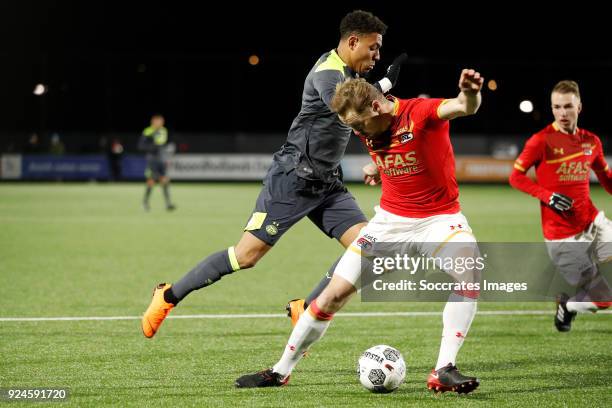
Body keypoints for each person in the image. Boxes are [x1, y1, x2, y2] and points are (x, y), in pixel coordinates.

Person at [141, 10, 407, 338]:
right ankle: (167, 296)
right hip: (292, 179)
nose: (377, 55)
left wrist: (382, 92)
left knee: (370, 249)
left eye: (379, 49)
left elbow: (362, 99)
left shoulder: (347, 74)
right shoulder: (327, 74)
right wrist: (387, 87)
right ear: (353, 41)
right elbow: (351, 111)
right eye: (373, 48)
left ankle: (307, 308)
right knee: (246, 256)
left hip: (326, 183)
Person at [235, 69, 485, 394]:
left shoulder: (419, 114)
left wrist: (470, 92)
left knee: (469, 276)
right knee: (331, 296)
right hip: (388, 223)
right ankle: (279, 372)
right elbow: (391, 153)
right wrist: (376, 166)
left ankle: (443, 369)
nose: (356, 133)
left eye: (358, 125)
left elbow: (464, 107)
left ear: (378, 109)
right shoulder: (368, 124)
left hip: (439, 220)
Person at [509, 80, 612, 332]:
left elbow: (607, 180)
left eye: (568, 106)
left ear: (579, 107)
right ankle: (567, 304)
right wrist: (547, 196)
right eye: (557, 107)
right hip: (562, 236)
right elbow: (515, 177)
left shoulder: (592, 142)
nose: (562, 113)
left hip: (592, 221)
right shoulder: (541, 141)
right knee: (603, 300)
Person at [138, 114, 176, 211]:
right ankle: (145, 203)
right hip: (152, 159)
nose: (161, 123)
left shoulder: (164, 130)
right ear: (153, 121)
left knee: (164, 180)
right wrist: (152, 147)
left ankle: (168, 204)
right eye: (158, 121)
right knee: (151, 181)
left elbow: (163, 144)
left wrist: (168, 152)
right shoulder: (148, 131)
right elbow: (141, 145)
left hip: (162, 159)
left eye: (162, 121)